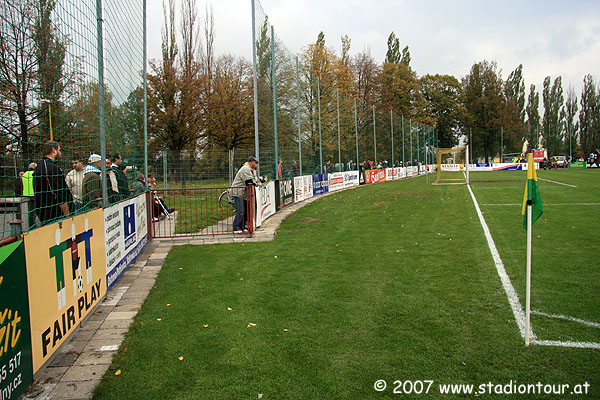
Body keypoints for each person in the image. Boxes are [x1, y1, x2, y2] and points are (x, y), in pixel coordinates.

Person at [33, 141, 71, 225]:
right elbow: (59, 194)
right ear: (54, 150)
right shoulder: (51, 168)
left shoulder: (39, 167)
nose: (60, 153)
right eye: (59, 150)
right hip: (55, 217)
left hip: (45, 215)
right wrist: (68, 216)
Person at [229, 156, 262, 233]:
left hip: (242, 193)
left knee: (244, 211)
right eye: (256, 163)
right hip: (237, 193)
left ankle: (242, 227)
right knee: (240, 211)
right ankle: (236, 228)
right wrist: (258, 184)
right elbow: (249, 182)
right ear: (252, 162)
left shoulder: (249, 169)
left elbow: (253, 180)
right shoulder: (245, 169)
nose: (257, 165)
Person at [22, 163, 36, 228]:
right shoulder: (34, 174)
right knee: (33, 210)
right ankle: (32, 225)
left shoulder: (24, 174)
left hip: (26, 194)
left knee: (29, 210)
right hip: (33, 194)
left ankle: (30, 224)